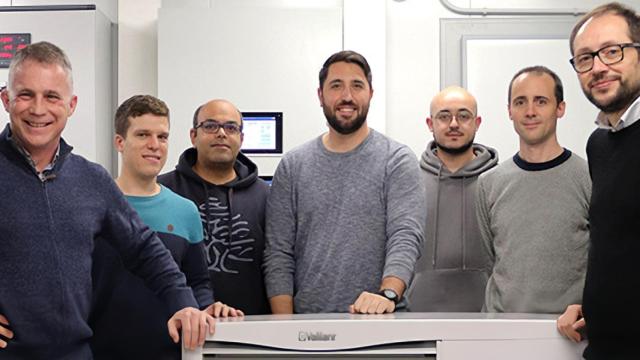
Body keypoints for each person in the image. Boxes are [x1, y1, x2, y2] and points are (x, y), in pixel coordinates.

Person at [0, 42, 213, 358]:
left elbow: (144, 249)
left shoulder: (92, 180)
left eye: (52, 96)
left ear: (71, 105)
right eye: (26, 95)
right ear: (6, 98)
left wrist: (183, 302)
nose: (38, 109)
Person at [263, 50, 425, 314]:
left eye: (357, 86)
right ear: (320, 95)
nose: (346, 96)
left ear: (370, 93)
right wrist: (285, 328)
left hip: (381, 323)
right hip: (309, 331)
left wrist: (387, 294)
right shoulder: (293, 165)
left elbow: (405, 235)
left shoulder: (396, 160)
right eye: (336, 86)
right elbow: (278, 253)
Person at [90, 95, 242, 359]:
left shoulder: (185, 211)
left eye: (162, 137)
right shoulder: (91, 205)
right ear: (119, 142)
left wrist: (205, 309)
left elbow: (197, 281)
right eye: (143, 135)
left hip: (170, 351)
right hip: (99, 350)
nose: (154, 145)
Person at [557, 3, 640, 358]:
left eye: (612, 51)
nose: (599, 67)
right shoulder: (600, 144)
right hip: (606, 345)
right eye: (585, 58)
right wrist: (595, 305)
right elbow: (617, 243)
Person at [476, 66, 591, 314]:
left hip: (568, 333)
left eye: (541, 101)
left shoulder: (589, 178)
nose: (530, 111)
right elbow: (491, 260)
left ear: (560, 108)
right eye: (520, 102)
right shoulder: (488, 183)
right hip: (500, 330)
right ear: (509, 111)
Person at [159, 99, 270, 315]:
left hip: (251, 330)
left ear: (241, 138)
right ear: (193, 136)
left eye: (231, 127)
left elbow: (276, 264)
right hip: (180, 329)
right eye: (210, 126)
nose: (221, 133)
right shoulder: (164, 191)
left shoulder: (265, 195)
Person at [406, 86, 498, 312]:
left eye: (464, 116)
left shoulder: (499, 180)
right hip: (417, 317)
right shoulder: (408, 182)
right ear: (430, 124)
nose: (454, 124)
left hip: (487, 318)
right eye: (444, 116)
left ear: (477, 123)